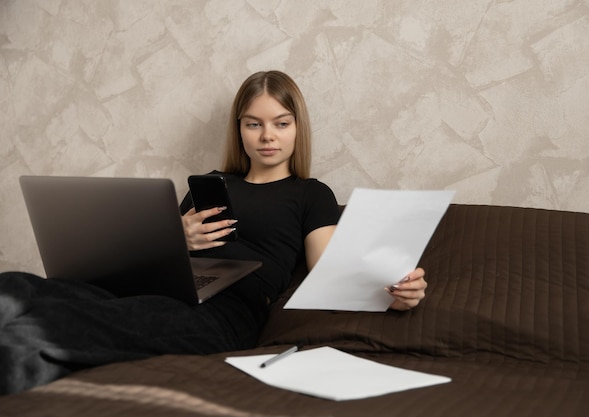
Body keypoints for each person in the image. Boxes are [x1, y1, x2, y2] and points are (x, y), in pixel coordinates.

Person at [0, 70, 427, 395]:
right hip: (169, 286)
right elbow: (157, 263)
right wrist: (176, 237)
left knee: (59, 328)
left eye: (281, 123)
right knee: (17, 286)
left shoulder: (310, 194)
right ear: (238, 129)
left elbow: (332, 267)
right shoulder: (210, 183)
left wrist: (395, 292)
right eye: (253, 124)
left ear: (298, 127)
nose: (267, 136)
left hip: (228, 313)